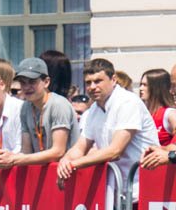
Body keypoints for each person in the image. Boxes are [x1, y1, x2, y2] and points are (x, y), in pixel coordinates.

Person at [58, 58, 158, 199]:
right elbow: (80, 147)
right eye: (88, 82)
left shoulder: (128, 102)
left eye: (98, 81)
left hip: (143, 189)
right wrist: (65, 161)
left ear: (113, 79)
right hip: (117, 191)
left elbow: (115, 151)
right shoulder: (93, 109)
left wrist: (73, 164)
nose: (92, 87)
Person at [0, 57, 76, 168]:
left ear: (46, 82)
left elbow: (58, 152)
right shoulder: (25, 107)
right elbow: (26, 151)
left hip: (68, 173)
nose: (27, 87)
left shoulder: (58, 104)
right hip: (44, 173)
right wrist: (8, 158)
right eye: (22, 82)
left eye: (32, 82)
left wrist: (15, 158)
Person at [139, 68, 176, 147]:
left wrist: (166, 150)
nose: (141, 88)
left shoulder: (169, 114)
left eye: (145, 85)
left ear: (156, 88)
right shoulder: (141, 113)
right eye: (141, 84)